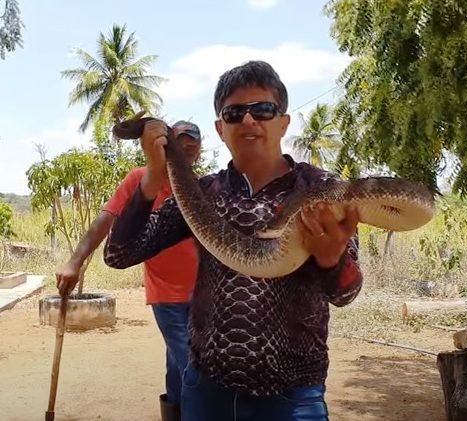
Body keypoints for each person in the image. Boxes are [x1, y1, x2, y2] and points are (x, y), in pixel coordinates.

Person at [103, 60, 363, 421]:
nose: (249, 121)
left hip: (291, 397)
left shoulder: (320, 191)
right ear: (220, 128)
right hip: (206, 391)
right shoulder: (201, 194)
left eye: (263, 109)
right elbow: (119, 253)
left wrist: (333, 259)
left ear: (284, 122)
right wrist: (152, 176)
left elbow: (345, 294)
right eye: (235, 112)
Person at [55, 120, 202, 421]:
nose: (184, 153)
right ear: (164, 147)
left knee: (178, 365)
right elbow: (104, 221)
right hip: (167, 295)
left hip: (203, 294)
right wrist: (75, 261)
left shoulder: (201, 187)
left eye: (192, 149)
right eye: (178, 146)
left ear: (198, 154)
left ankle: (175, 412)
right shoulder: (141, 179)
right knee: (194, 365)